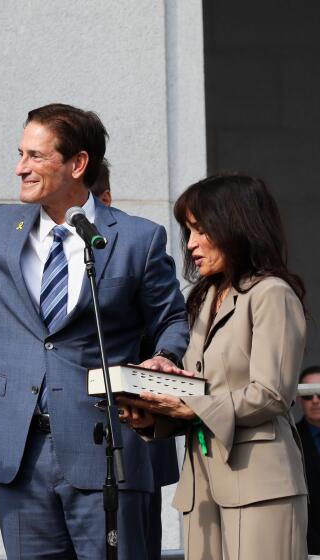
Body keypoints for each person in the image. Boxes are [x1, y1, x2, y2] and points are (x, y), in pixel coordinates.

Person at [0, 101, 188, 558]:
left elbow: (169, 317)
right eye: (20, 154)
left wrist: (166, 356)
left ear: (77, 163)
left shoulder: (137, 238)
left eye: (35, 156)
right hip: (21, 456)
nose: (20, 168)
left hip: (108, 450)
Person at [119, 173, 308, 559]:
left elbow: (272, 394)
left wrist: (191, 407)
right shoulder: (204, 301)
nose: (190, 245)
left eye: (199, 230)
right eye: (188, 232)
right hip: (202, 486)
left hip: (259, 482)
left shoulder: (272, 294)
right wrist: (155, 416)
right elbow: (201, 392)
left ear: (233, 224)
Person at [297, 365, 320, 554]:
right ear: (298, 399)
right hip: (308, 544)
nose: (315, 400)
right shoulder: (289, 438)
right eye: (307, 395)